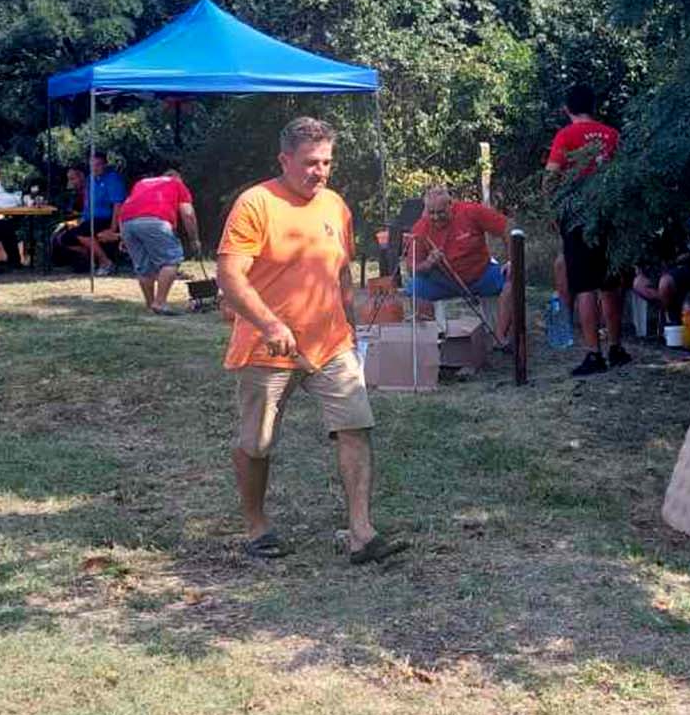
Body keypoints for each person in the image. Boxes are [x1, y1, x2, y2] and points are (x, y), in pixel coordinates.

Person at [215, 116, 406, 565]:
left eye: (326, 162)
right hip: (266, 347)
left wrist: (350, 322)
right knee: (257, 443)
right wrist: (270, 325)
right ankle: (257, 527)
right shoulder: (256, 203)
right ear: (284, 160)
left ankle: (361, 533)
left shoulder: (335, 205)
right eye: (310, 163)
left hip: (331, 344)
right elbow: (229, 275)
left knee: (356, 426)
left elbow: (340, 271)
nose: (319, 172)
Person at [543, 84, 629, 376]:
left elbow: (551, 177)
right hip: (608, 216)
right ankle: (616, 347)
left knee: (585, 287)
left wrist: (554, 211)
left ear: (566, 109)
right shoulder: (612, 135)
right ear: (594, 106)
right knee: (610, 284)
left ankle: (594, 354)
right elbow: (623, 176)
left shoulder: (566, 136)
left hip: (578, 218)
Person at [405, 186, 515, 342]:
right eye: (431, 213)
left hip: (481, 274)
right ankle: (431, 340)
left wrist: (511, 261)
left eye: (441, 212)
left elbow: (507, 229)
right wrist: (429, 263)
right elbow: (412, 268)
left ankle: (500, 337)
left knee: (513, 281)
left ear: (451, 204)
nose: (436, 217)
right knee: (415, 288)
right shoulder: (420, 228)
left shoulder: (471, 211)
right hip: (443, 281)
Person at [118, 168, 200, 316]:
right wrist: (194, 239)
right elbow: (188, 214)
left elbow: (125, 207)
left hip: (126, 222)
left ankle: (151, 305)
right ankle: (160, 303)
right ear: (177, 178)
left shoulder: (142, 183)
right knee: (171, 261)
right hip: (155, 221)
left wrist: (123, 237)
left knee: (144, 266)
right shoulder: (176, 183)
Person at [78, 151, 125, 276]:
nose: (95, 168)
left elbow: (118, 205)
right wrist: (83, 218)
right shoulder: (90, 179)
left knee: (82, 233)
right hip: (91, 219)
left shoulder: (112, 179)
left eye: (98, 165)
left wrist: (113, 228)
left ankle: (106, 262)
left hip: (107, 218)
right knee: (67, 236)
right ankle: (92, 261)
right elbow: (87, 202)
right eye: (92, 165)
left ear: (105, 165)